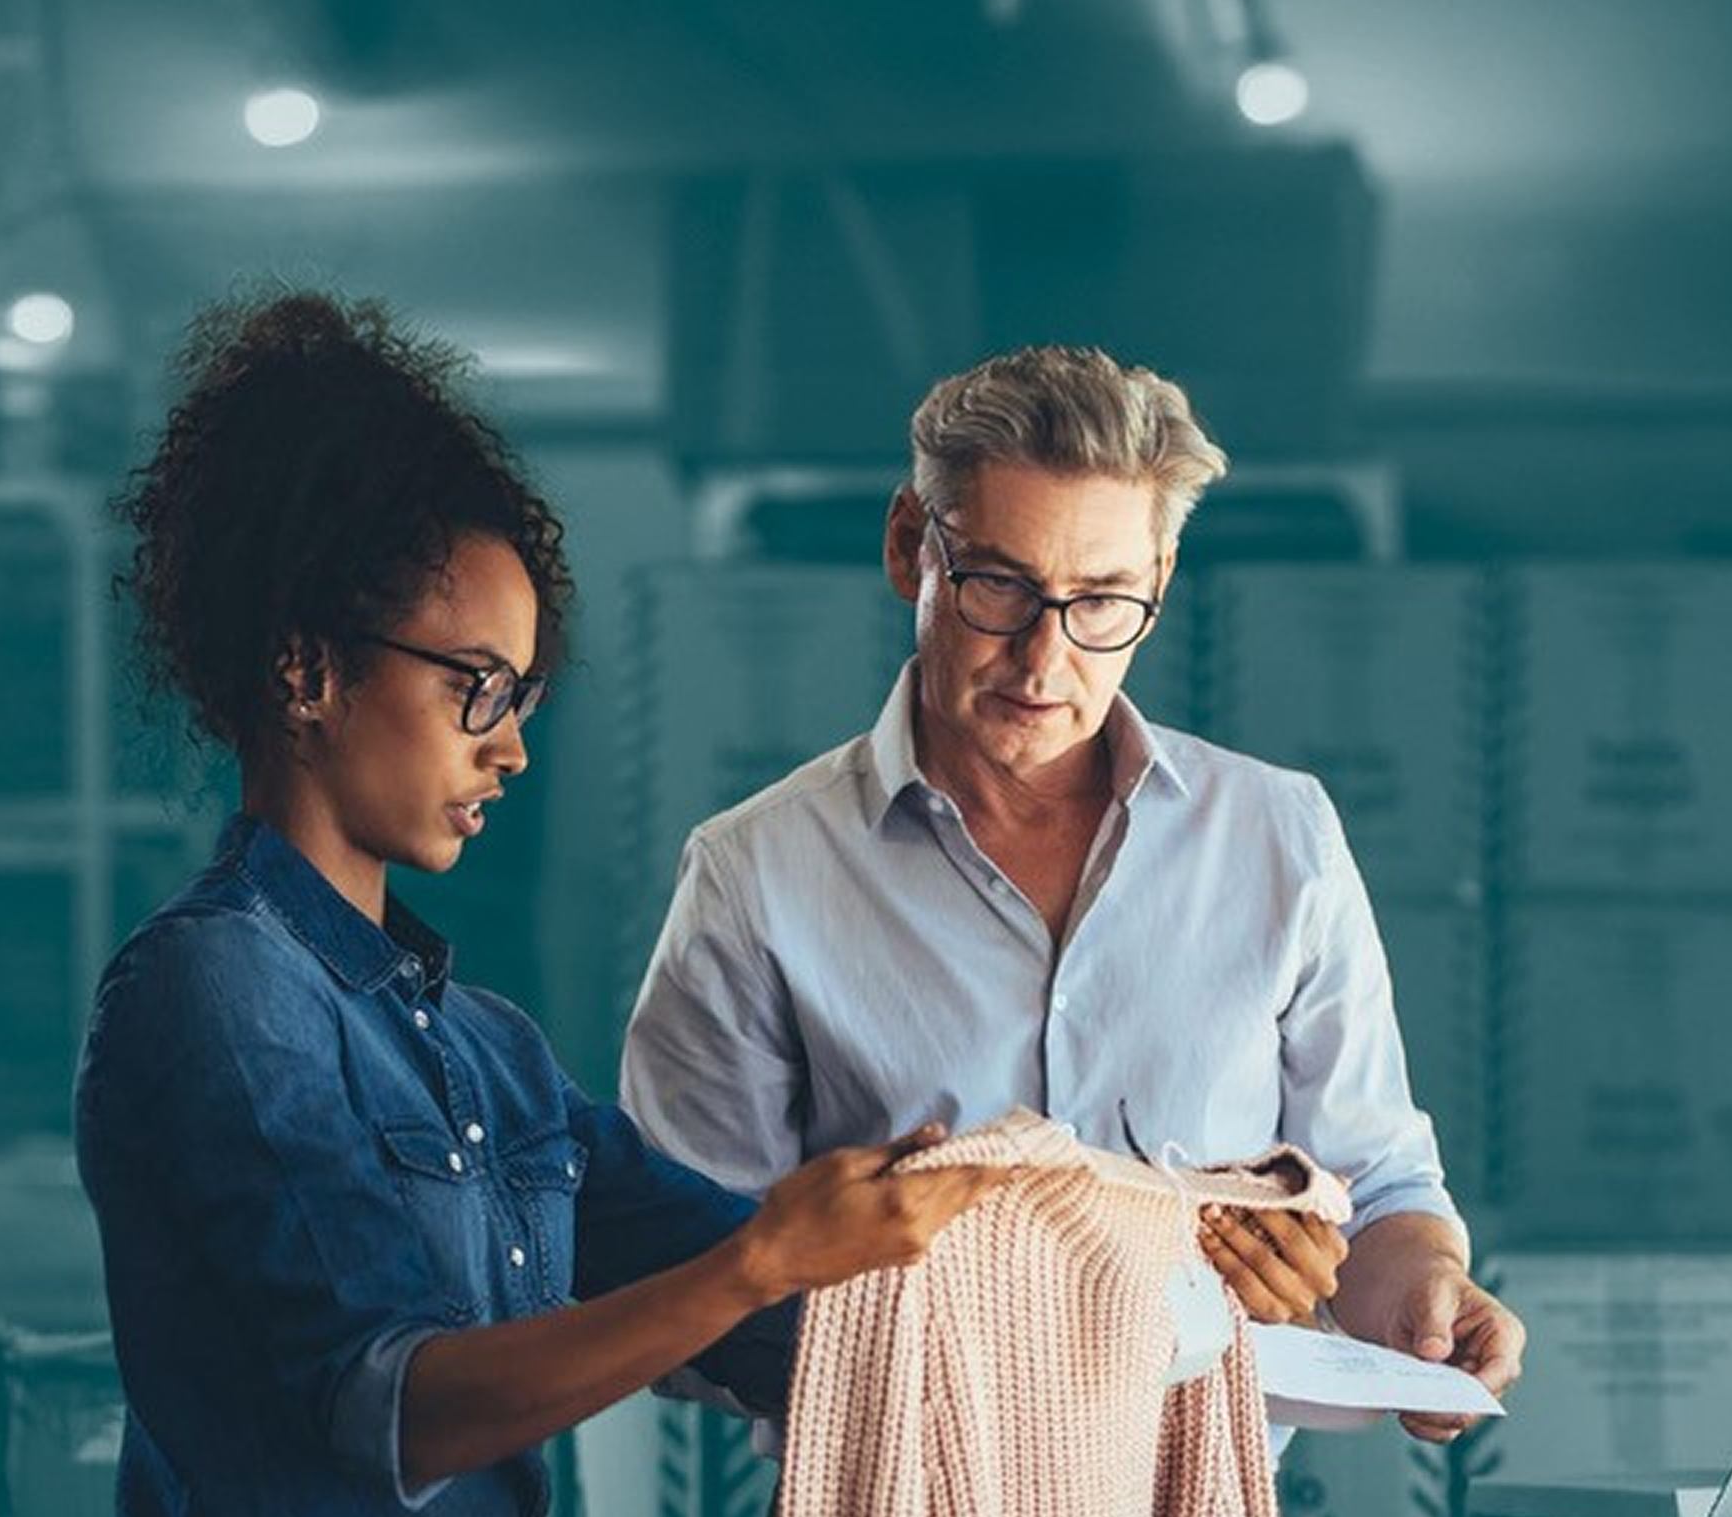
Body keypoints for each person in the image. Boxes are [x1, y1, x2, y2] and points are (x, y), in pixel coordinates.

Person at [72, 289, 998, 1517]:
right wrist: (759, 1266)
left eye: (525, 699)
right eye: (476, 688)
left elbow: (765, 1318)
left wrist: (1048, 1280)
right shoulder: (217, 997)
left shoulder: (472, 1040)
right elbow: (407, 1415)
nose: (511, 744)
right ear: (307, 667)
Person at [621, 342, 1526, 1447]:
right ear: (914, 549)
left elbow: (1378, 1188)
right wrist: (1106, 1306)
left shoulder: (1281, 837)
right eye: (1000, 587)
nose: (1044, 661)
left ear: (1159, 583)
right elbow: (679, 1295)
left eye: (1102, 601)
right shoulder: (753, 876)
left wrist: (1420, 1304)